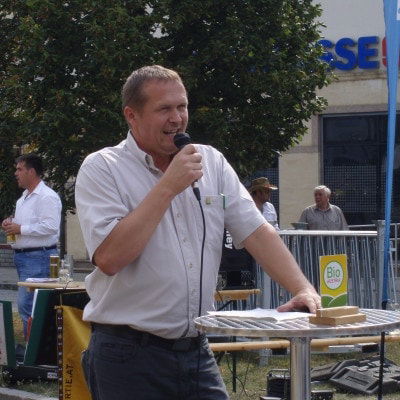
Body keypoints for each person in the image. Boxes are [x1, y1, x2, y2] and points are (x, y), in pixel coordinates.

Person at [75, 65, 321, 400]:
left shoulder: (212, 162)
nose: (177, 119)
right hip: (128, 354)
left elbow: (255, 231)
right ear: (132, 115)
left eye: (182, 106)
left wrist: (302, 288)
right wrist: (167, 187)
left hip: (196, 352)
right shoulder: (102, 168)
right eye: (164, 109)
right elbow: (110, 257)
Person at [1, 153, 61, 338]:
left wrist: (21, 228)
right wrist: (10, 224)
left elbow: (50, 227)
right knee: (28, 306)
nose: (16, 173)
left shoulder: (46, 197)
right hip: (24, 257)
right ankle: (32, 350)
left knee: (31, 305)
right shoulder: (23, 199)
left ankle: (35, 354)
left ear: (32, 172)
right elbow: (23, 226)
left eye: (19, 169)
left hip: (39, 257)